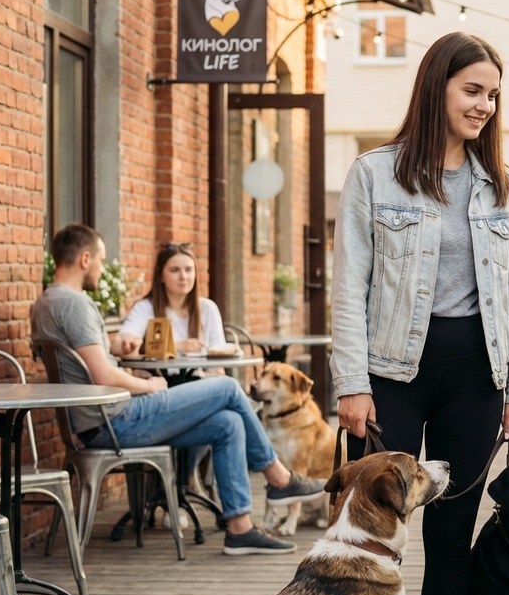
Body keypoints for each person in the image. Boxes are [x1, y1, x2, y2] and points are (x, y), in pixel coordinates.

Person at [328, 31, 509, 595]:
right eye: (472, 90)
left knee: (450, 543)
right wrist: (352, 384)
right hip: (390, 375)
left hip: (475, 378)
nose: (483, 106)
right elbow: (348, 288)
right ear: (434, 87)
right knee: (368, 540)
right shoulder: (374, 174)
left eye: (492, 95)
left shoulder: (502, 185)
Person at [31, 224, 326, 556]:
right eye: (100, 258)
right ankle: (280, 481)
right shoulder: (74, 304)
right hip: (114, 420)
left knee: (228, 422)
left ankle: (240, 529)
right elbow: (102, 373)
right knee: (229, 387)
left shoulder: (46, 301)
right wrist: (149, 385)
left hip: (97, 421)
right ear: (85, 259)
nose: (102, 266)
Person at [111, 242, 227, 384]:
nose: (183, 276)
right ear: (161, 276)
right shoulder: (145, 308)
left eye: (189, 270)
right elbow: (117, 345)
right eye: (174, 270)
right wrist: (178, 346)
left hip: (199, 385)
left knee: (228, 389)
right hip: (159, 387)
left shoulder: (208, 308)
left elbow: (219, 358)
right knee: (231, 388)